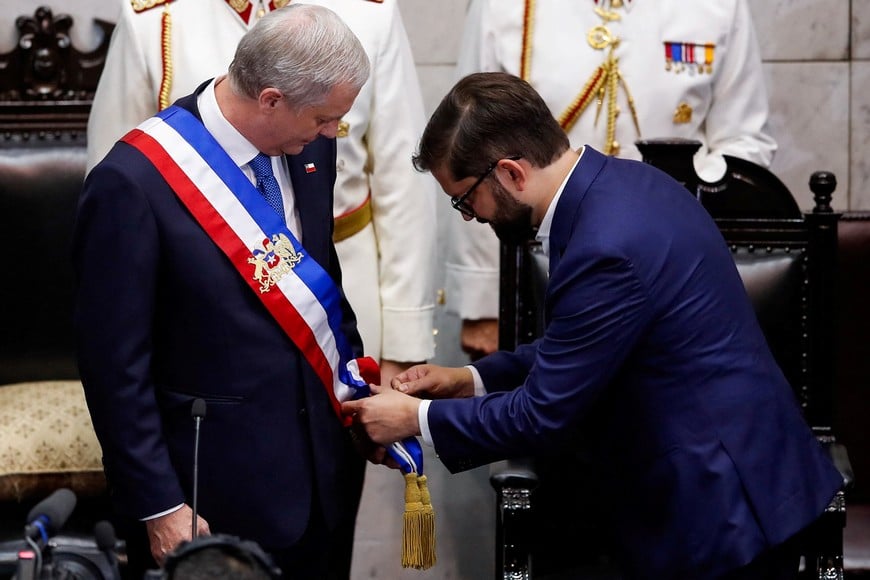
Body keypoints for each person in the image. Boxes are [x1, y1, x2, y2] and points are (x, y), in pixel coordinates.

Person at [342, 72, 843, 579]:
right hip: (728, 476)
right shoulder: (618, 186)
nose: (471, 218)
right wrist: (466, 380)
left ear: (512, 173)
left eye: (465, 200)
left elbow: (542, 416)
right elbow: (589, 345)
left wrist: (414, 419)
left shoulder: (605, 246)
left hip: (721, 508)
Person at [74, 6, 373, 578]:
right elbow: (114, 369)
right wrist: (160, 505)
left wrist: (358, 399)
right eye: (324, 118)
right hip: (210, 496)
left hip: (322, 479)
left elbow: (319, 282)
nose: (334, 133)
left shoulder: (309, 146)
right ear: (270, 99)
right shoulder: (130, 183)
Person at [86, 0, 436, 387]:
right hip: (207, 324)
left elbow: (402, 182)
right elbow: (117, 195)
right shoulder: (153, 19)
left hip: (339, 291)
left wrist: (406, 340)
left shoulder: (369, 12)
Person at [448, 0, 778, 358]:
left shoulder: (718, 7)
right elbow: (469, 154)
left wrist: (673, 209)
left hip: (671, 278)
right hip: (542, 271)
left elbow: (744, 142)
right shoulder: (502, 7)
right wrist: (482, 303)